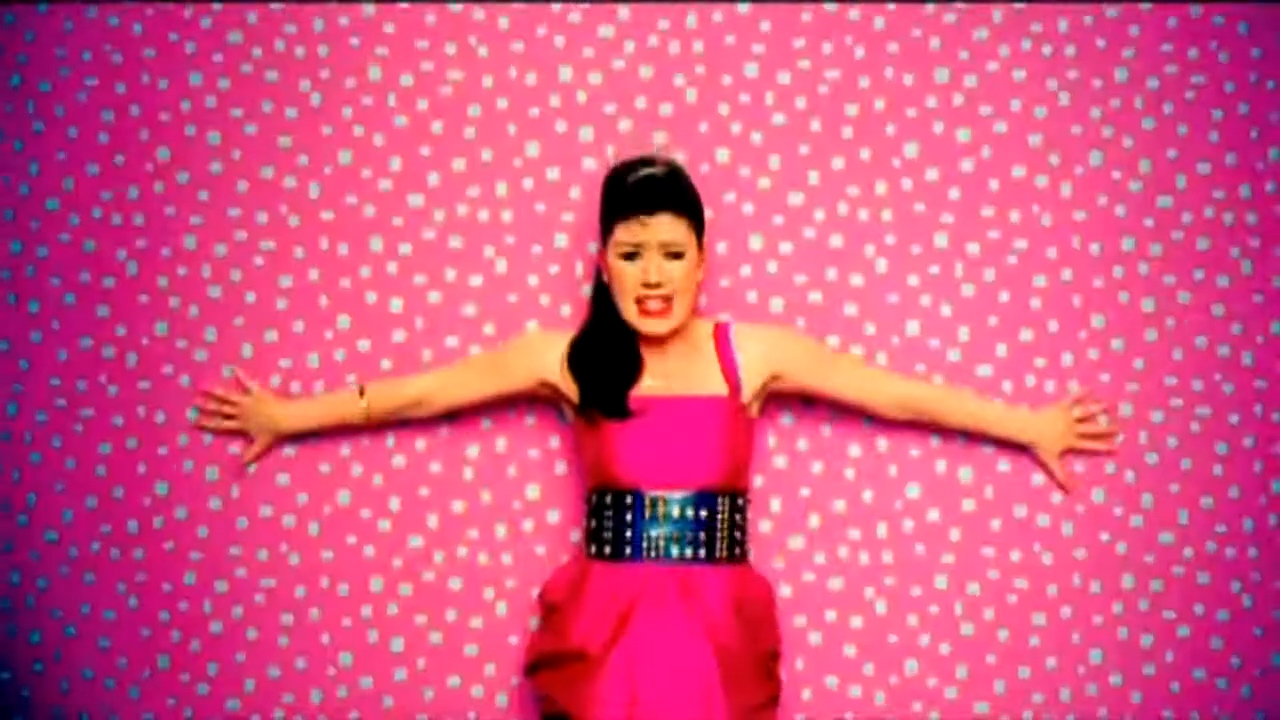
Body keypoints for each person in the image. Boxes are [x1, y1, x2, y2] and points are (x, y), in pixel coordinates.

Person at [192, 154, 1120, 719]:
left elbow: (897, 396)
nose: (652, 274)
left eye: (672, 253)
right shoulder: (567, 356)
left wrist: (1029, 425)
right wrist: (286, 415)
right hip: (606, 628)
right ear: (603, 261)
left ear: (704, 260)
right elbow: (420, 394)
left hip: (718, 628)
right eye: (631, 252)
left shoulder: (750, 351)